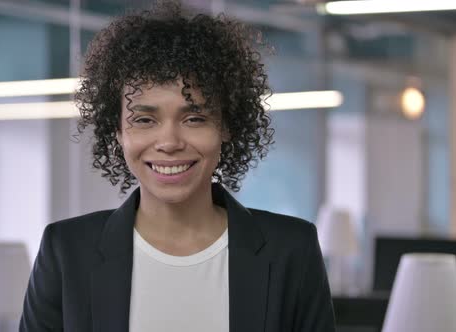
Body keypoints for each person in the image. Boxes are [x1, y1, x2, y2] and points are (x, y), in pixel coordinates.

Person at [20, 1, 336, 331]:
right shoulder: (67, 252)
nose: (169, 142)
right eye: (144, 119)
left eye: (194, 118)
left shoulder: (291, 251)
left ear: (225, 126)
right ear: (117, 131)